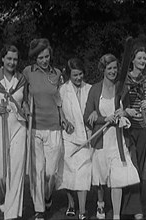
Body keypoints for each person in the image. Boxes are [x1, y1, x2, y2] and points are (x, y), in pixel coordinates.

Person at [83, 53, 140, 220]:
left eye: (115, 68)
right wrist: (100, 118)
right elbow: (87, 117)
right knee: (101, 178)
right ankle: (100, 204)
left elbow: (128, 112)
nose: (113, 71)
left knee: (118, 177)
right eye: (109, 68)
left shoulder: (122, 89)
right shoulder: (95, 90)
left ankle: (116, 215)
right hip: (101, 140)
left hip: (118, 141)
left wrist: (123, 113)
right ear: (103, 69)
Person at [23, 38, 70, 220]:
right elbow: (23, 95)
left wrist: (63, 118)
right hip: (35, 128)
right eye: (41, 57)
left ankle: (48, 194)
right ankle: (39, 210)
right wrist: (25, 106)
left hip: (54, 127)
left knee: (51, 172)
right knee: (38, 170)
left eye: (47, 56)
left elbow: (58, 98)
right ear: (35, 58)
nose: (45, 60)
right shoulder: (28, 72)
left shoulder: (56, 73)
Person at [0, 45, 28, 220]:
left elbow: (25, 102)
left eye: (15, 59)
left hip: (18, 126)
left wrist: (26, 107)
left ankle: (11, 214)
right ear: (2, 59)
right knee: (1, 171)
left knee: (17, 170)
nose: (12, 62)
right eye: (9, 58)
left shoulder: (22, 80)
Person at [120, 43, 146, 220]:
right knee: (131, 166)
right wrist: (126, 110)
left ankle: (133, 208)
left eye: (144, 58)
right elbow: (118, 103)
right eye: (139, 58)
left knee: (140, 167)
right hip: (128, 128)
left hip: (144, 128)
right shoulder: (124, 79)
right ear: (133, 60)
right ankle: (131, 208)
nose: (143, 61)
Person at [58, 58, 93, 220]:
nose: (78, 78)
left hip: (86, 137)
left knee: (84, 173)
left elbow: (95, 108)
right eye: (75, 75)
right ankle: (71, 203)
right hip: (69, 137)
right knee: (69, 173)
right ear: (68, 75)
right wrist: (64, 121)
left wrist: (94, 114)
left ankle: (83, 210)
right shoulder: (62, 90)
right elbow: (59, 112)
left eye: (80, 74)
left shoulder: (90, 89)